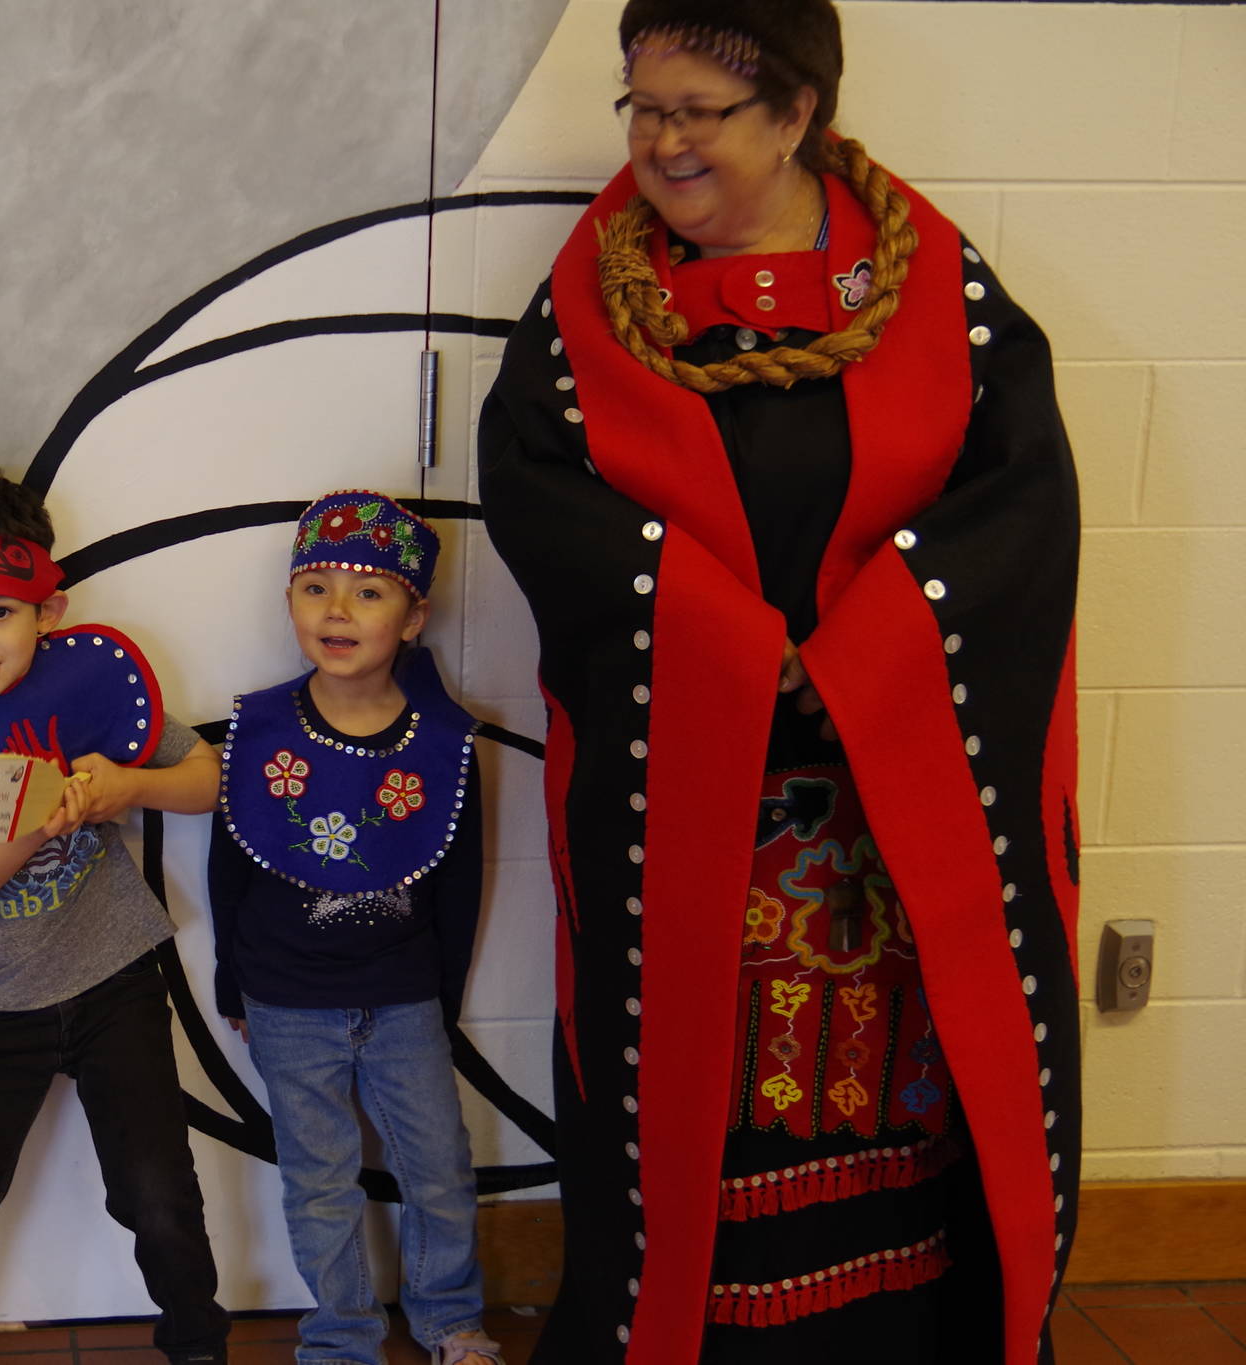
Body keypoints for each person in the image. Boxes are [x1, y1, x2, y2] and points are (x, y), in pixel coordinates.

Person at [476, 2, 1082, 1361]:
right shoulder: (594, 297)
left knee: (894, 1086)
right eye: (640, 107)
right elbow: (541, 496)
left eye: (697, 112)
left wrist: (865, 662)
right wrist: (735, 654)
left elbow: (1021, 510)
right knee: (694, 1105)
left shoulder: (936, 293)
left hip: (891, 801)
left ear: (800, 112)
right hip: (691, 794)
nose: (657, 142)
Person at [0, 465, 230, 1365]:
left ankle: (202, 1349)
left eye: (1, 611)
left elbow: (208, 780)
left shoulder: (89, 686)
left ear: (47, 610)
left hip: (116, 983)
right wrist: (35, 816)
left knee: (159, 1193)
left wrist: (124, 784)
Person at [207, 491, 501, 1365]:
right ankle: (340, 1339)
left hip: (405, 998)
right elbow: (229, 865)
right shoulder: (257, 730)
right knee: (320, 1183)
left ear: (414, 616)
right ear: (290, 603)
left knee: (438, 1171)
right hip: (288, 1001)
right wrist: (232, 982)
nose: (337, 611)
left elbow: (461, 883)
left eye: (368, 592)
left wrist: (441, 999)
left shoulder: (444, 743)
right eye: (316, 587)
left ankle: (450, 1320)